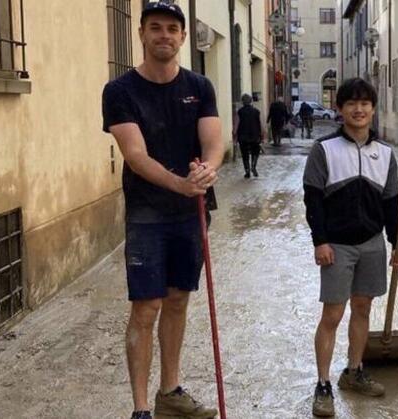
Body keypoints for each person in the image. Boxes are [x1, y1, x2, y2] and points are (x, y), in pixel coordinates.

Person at [101, 2, 221, 418]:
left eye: (173, 28)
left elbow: (213, 140)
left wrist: (206, 171)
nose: (165, 35)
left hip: (191, 214)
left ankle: (170, 392)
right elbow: (135, 155)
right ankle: (140, 409)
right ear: (142, 34)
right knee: (146, 307)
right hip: (148, 214)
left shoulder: (200, 86)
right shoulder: (120, 92)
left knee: (176, 301)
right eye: (156, 28)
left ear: (183, 37)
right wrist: (181, 184)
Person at [302, 78, 398, 417]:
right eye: (351, 103)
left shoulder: (385, 154)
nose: (358, 109)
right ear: (340, 108)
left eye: (365, 103)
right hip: (337, 246)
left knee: (362, 309)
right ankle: (322, 384)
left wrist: (397, 245)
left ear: (373, 109)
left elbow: (393, 205)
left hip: (372, 244)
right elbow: (313, 200)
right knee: (332, 314)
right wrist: (320, 241)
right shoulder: (324, 149)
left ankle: (354, 371)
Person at [234, 93, 265, 178]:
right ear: (251, 101)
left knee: (245, 154)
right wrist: (262, 135)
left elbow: (236, 125)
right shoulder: (257, 111)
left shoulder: (239, 112)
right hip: (255, 136)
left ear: (242, 102)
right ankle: (253, 166)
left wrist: (234, 135)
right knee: (255, 152)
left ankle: (247, 171)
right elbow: (261, 125)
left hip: (243, 137)